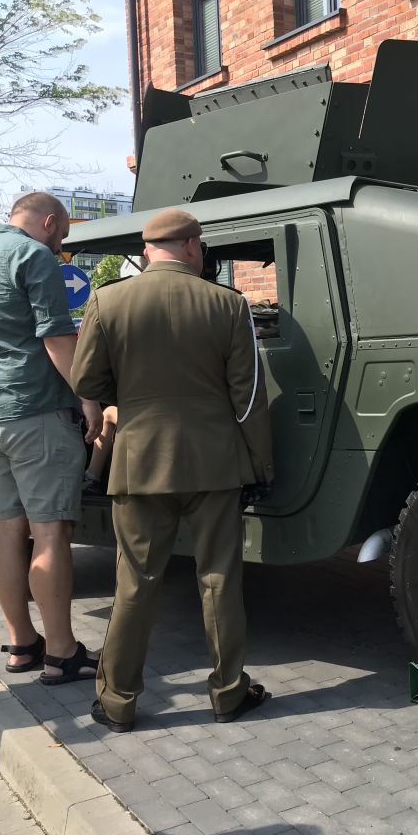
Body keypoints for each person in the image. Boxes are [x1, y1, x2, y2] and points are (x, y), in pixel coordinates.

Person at [71, 208, 273, 732]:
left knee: (135, 584)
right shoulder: (228, 303)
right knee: (219, 579)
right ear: (190, 246)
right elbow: (248, 397)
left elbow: (86, 381)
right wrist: (260, 464)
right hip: (214, 463)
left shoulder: (108, 300)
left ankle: (117, 702)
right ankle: (228, 693)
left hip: (138, 463)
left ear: (147, 251)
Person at [0, 192, 103, 684]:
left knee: (7, 527)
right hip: (35, 409)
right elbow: (56, 337)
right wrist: (88, 398)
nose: (60, 245)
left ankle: (23, 644)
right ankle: (62, 653)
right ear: (48, 221)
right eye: (61, 233)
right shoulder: (34, 255)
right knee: (50, 531)